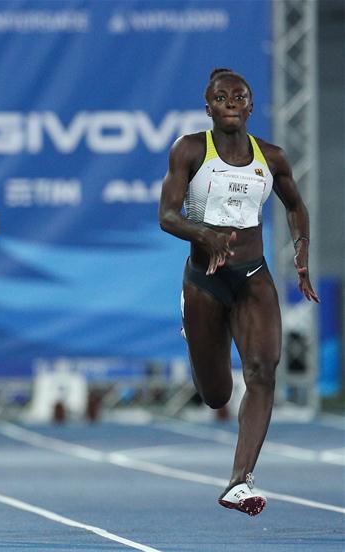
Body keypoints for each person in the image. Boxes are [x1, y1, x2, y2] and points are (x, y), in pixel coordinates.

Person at [158, 68, 319, 516]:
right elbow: (167, 215)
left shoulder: (272, 157)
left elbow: (296, 206)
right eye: (220, 96)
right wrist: (205, 235)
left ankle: (239, 481)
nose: (230, 101)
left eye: (239, 96)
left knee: (263, 372)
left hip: (253, 278)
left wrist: (301, 256)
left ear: (250, 106)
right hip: (205, 282)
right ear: (207, 106)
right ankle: (195, 332)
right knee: (216, 396)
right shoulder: (190, 150)